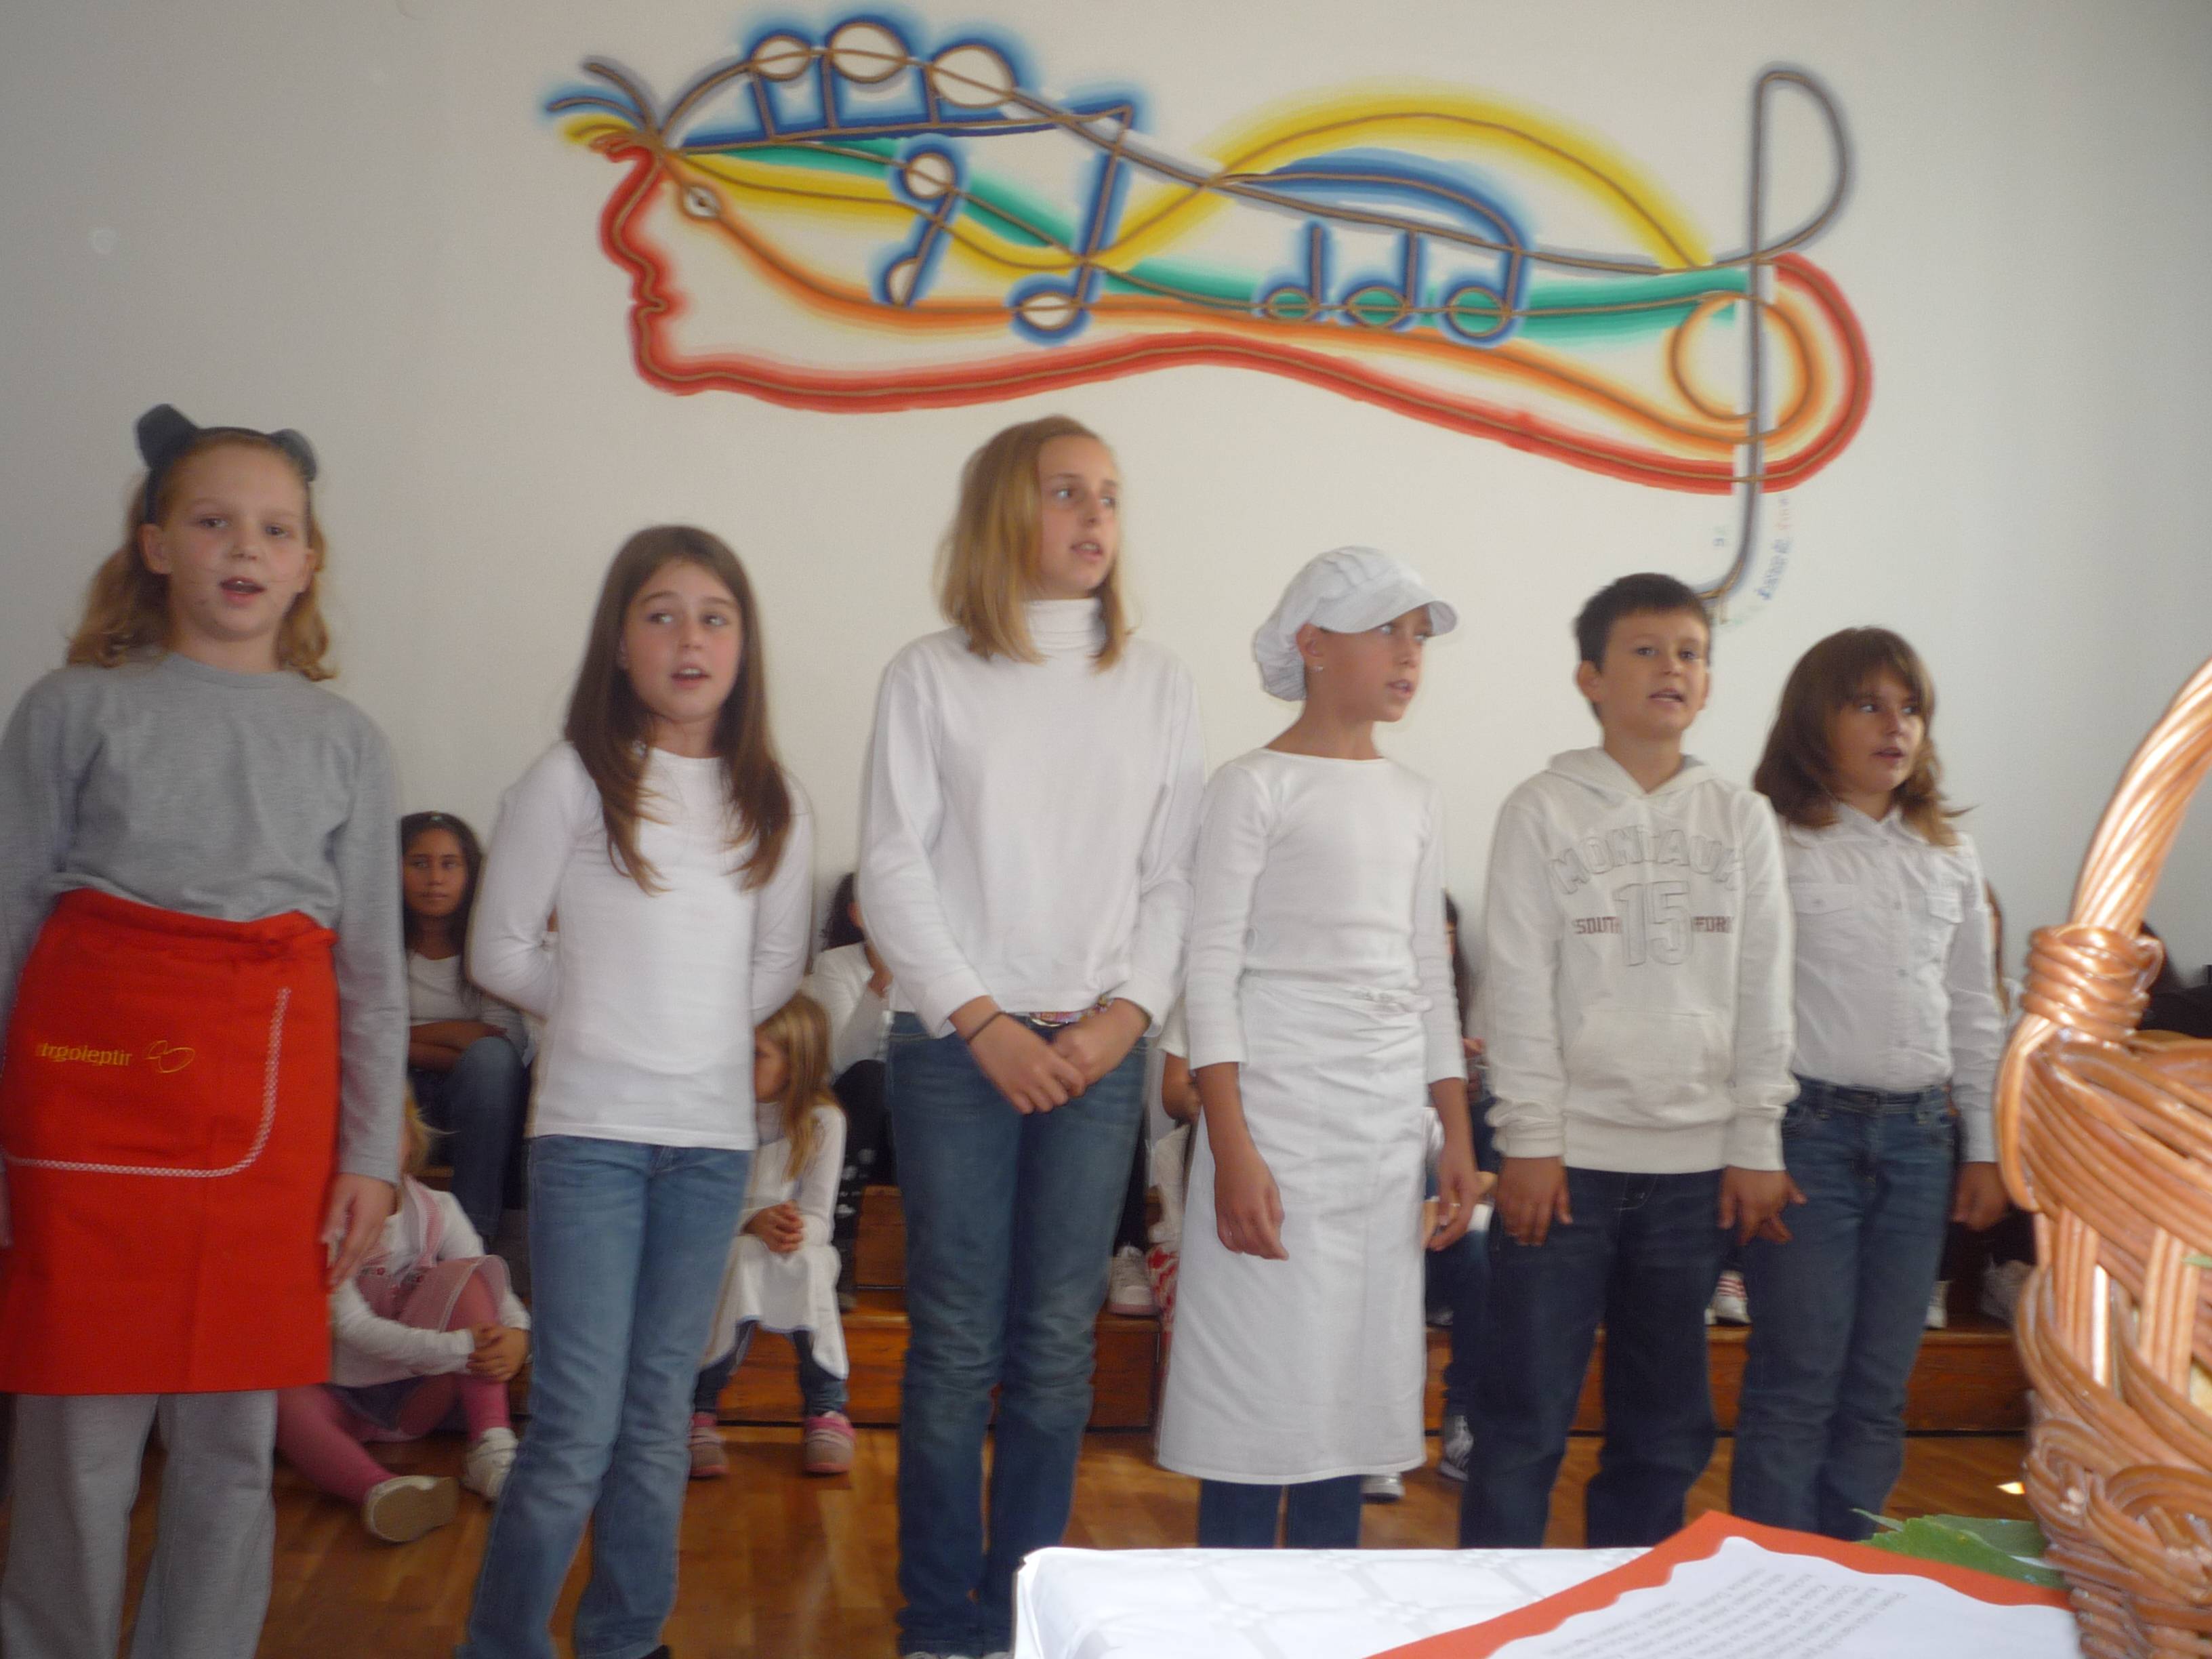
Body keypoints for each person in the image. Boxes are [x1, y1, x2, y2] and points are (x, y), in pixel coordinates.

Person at [0, 404, 403, 1658]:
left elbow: (372, 972)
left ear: (308, 562)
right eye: (215, 519)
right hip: (85, 1103)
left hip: (267, 1117)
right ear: (156, 544)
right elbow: (9, 921)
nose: (246, 546)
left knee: (232, 1440)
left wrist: (371, 1154)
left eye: (276, 528)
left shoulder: (347, 742)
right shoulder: (70, 708)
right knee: (76, 1436)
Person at [859, 414, 1204, 1659]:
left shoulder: (1158, 682)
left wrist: (1124, 1018)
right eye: (1066, 492)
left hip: (1096, 1053)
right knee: (956, 1343)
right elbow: (890, 868)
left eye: (1107, 494)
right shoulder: (928, 675)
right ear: (1006, 510)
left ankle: (1021, 1618)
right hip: (958, 1052)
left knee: (1058, 1347)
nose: (1094, 516)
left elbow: (1173, 875)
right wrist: (983, 1020)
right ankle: (936, 1623)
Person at [457, 525, 813, 1659]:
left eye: (714, 616)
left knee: (659, 1415)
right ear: (620, 643)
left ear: (742, 645)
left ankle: (624, 1638)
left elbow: (775, 965)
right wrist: (604, 1006)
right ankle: (502, 1642)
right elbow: (499, 950)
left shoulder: (772, 799)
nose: (688, 638)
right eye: (660, 615)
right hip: (591, 1142)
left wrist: (688, 1028)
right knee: (574, 1424)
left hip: (707, 1146)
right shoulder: (571, 778)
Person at [1461, 571, 1795, 1550]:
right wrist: (1530, 1140)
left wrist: (1757, 1139)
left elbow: (1766, 986)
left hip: (1693, 1170)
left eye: (1690, 653)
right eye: (1645, 650)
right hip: (1565, 1169)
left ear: (1708, 681)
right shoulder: (1542, 809)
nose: (1671, 669)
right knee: (1522, 1420)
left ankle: (1631, 1610)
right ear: (1591, 679)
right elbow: (1518, 984)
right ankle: (1498, 1611)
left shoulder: (1741, 817)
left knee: (1664, 1431)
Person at [1158, 546, 1482, 1548]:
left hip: (1381, 1139)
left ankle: (1326, 1603)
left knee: (1350, 1397)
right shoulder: (1251, 786)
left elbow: (1429, 978)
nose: (1409, 653)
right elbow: (1210, 972)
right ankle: (1230, 1605)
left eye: (1418, 635)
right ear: (1312, 643)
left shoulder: (1416, 797)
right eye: (1387, 630)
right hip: (1277, 1127)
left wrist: (1455, 1137)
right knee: (1257, 1396)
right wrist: (1232, 1147)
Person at [1731, 627, 2007, 1539]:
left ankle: (1847, 1576)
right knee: (1797, 1379)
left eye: (1911, 708)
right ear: (1816, 721)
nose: (1897, 727)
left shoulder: (1950, 854)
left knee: (1880, 1388)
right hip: (1810, 1136)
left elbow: (1974, 1007)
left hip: (1922, 1143)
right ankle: (1772, 1580)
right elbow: (1747, 1007)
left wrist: (1985, 1148)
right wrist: (1753, 1147)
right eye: (1868, 706)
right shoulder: (1773, 840)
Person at [274, 1099, 529, 1541]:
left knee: (468, 1275)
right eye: (348, 1137)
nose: (368, 1148)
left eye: (384, 1131)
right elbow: (353, 1328)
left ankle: (492, 1445)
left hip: (416, 1396)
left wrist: (518, 1334)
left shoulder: (437, 1208)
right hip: (336, 1396)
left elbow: (492, 1287)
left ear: (412, 1136)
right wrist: (459, 1347)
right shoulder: (321, 1221)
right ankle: (382, 1491)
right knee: (277, 1400)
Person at [689, 991, 855, 1479]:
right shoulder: (718, 1114)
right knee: (744, 1255)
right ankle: (698, 1407)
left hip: (796, 1245)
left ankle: (826, 1406)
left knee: (806, 1262)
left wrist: (793, 1229)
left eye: (757, 1055)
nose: (742, 1064)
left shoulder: (824, 1121)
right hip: (723, 1242)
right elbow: (700, 1210)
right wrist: (751, 1222)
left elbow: (821, 1219)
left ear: (795, 1063)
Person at [401, 810, 530, 1243]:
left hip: (472, 1104)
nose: (435, 879)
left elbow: (505, 1044)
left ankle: (474, 1239)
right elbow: (354, 1034)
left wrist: (399, 1037)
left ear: (470, 873)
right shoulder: (376, 942)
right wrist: (456, 1033)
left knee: (492, 1062)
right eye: (419, 863)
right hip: (394, 1096)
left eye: (449, 864)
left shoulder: (488, 944)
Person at [805, 872, 895, 1308]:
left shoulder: (939, 971)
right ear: (859, 916)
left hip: (910, 1126)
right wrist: (879, 985)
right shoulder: (835, 965)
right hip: (858, 1118)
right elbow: (845, 1060)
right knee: (870, 1076)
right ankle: (842, 1239)